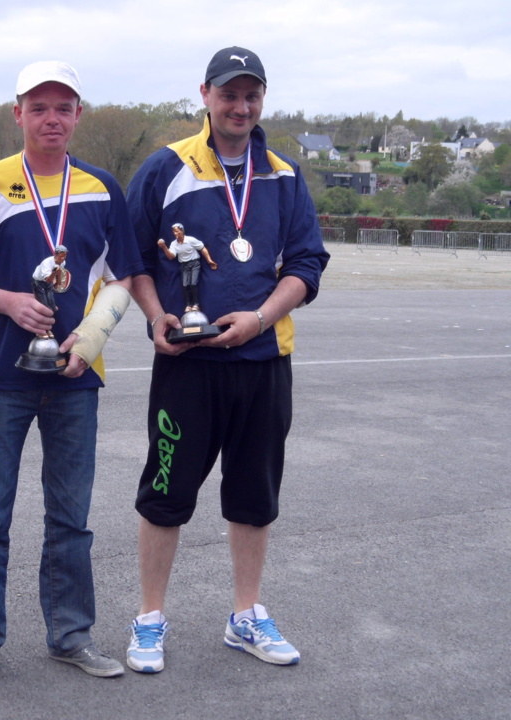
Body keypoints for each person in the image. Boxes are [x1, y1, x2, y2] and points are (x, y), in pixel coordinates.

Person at [124, 46, 329, 674]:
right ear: (205, 95)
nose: (240, 107)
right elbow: (131, 258)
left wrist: (261, 319)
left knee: (253, 495)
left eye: (251, 95)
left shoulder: (286, 175)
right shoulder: (165, 168)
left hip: (264, 359)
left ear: (261, 100)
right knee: (165, 493)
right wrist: (157, 316)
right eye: (229, 94)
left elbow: (306, 265)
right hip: (188, 365)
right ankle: (150, 619)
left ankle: (246, 615)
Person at [0, 61, 143, 684]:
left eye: (64, 107)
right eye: (39, 107)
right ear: (17, 114)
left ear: (78, 114)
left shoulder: (102, 187)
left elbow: (123, 277)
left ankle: (71, 634)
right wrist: (6, 301)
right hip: (1, 374)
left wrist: (95, 332)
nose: (51, 118)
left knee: (70, 516)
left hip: (76, 374)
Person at [157, 223, 216, 312]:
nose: (175, 233)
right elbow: (171, 256)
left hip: (194, 263)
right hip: (184, 265)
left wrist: (209, 260)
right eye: (173, 232)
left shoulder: (190, 240)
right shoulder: (174, 244)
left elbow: (202, 248)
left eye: (177, 231)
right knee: (185, 285)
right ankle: (189, 304)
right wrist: (164, 247)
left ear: (182, 231)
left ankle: (196, 304)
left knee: (193, 283)